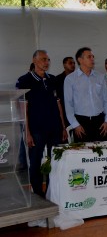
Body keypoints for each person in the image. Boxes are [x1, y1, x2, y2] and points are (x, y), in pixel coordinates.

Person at [16, 50, 67, 198]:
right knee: (36, 161)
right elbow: (23, 108)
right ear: (34, 60)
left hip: (55, 128)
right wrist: (27, 132)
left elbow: (59, 105)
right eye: (44, 59)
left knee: (55, 161)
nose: (47, 62)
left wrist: (63, 127)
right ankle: (38, 194)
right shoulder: (25, 80)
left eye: (48, 59)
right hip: (36, 129)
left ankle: (52, 192)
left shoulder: (52, 79)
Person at [64, 47, 107, 142]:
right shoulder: (70, 79)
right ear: (80, 60)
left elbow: (106, 101)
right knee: (84, 155)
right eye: (89, 57)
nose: (92, 59)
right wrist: (75, 125)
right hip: (81, 123)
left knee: (103, 154)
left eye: (93, 56)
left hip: (100, 122)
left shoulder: (100, 77)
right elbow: (68, 105)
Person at [54, 56, 75, 127]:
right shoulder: (57, 79)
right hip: (63, 111)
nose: (73, 65)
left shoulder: (79, 78)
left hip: (77, 112)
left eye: (74, 63)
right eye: (70, 63)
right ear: (64, 65)